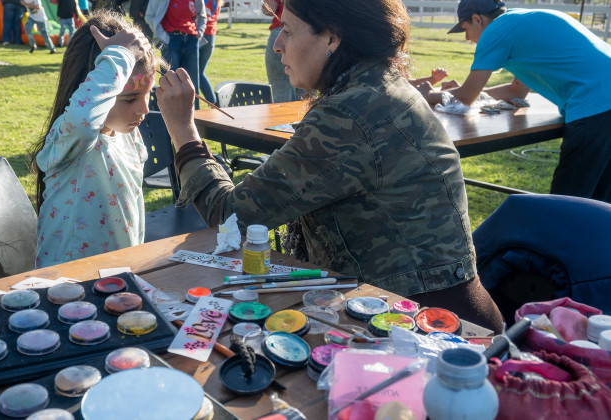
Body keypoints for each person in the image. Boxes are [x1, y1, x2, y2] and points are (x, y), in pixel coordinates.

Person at [156, 0, 504, 332]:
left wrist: (183, 130)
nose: (278, 45)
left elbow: (229, 216)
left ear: (332, 37)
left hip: (423, 325)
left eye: (289, 31)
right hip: (421, 309)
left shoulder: (351, 113)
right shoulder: (374, 88)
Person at [417, 0, 611, 203]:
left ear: (477, 19)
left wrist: (428, 94)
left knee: (565, 204)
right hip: (604, 102)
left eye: (465, 29)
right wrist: (464, 92)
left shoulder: (496, 30)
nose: (467, 38)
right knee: (601, 204)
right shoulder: (521, 21)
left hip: (595, 106)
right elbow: (515, 90)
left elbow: (466, 97)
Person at [28, 10, 157, 268]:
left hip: (117, 275)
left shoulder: (127, 134)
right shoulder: (72, 138)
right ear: (90, 87)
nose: (144, 109)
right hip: (69, 284)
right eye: (129, 98)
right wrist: (120, 56)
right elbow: (84, 120)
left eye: (148, 94)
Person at [145, 0, 206, 107]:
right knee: (170, 85)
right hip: (171, 40)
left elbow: (202, 16)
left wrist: (198, 34)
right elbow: (149, 16)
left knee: (192, 86)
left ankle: (196, 121)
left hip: (191, 40)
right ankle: (168, 121)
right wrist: (164, 38)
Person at [261, 0, 296, 102]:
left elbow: (269, 9)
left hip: (280, 31)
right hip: (308, 32)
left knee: (279, 94)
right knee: (307, 96)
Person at [198, 0, 220, 103]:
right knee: (200, 72)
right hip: (211, 36)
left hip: (201, 35)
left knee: (197, 73)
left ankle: (213, 102)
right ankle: (214, 102)